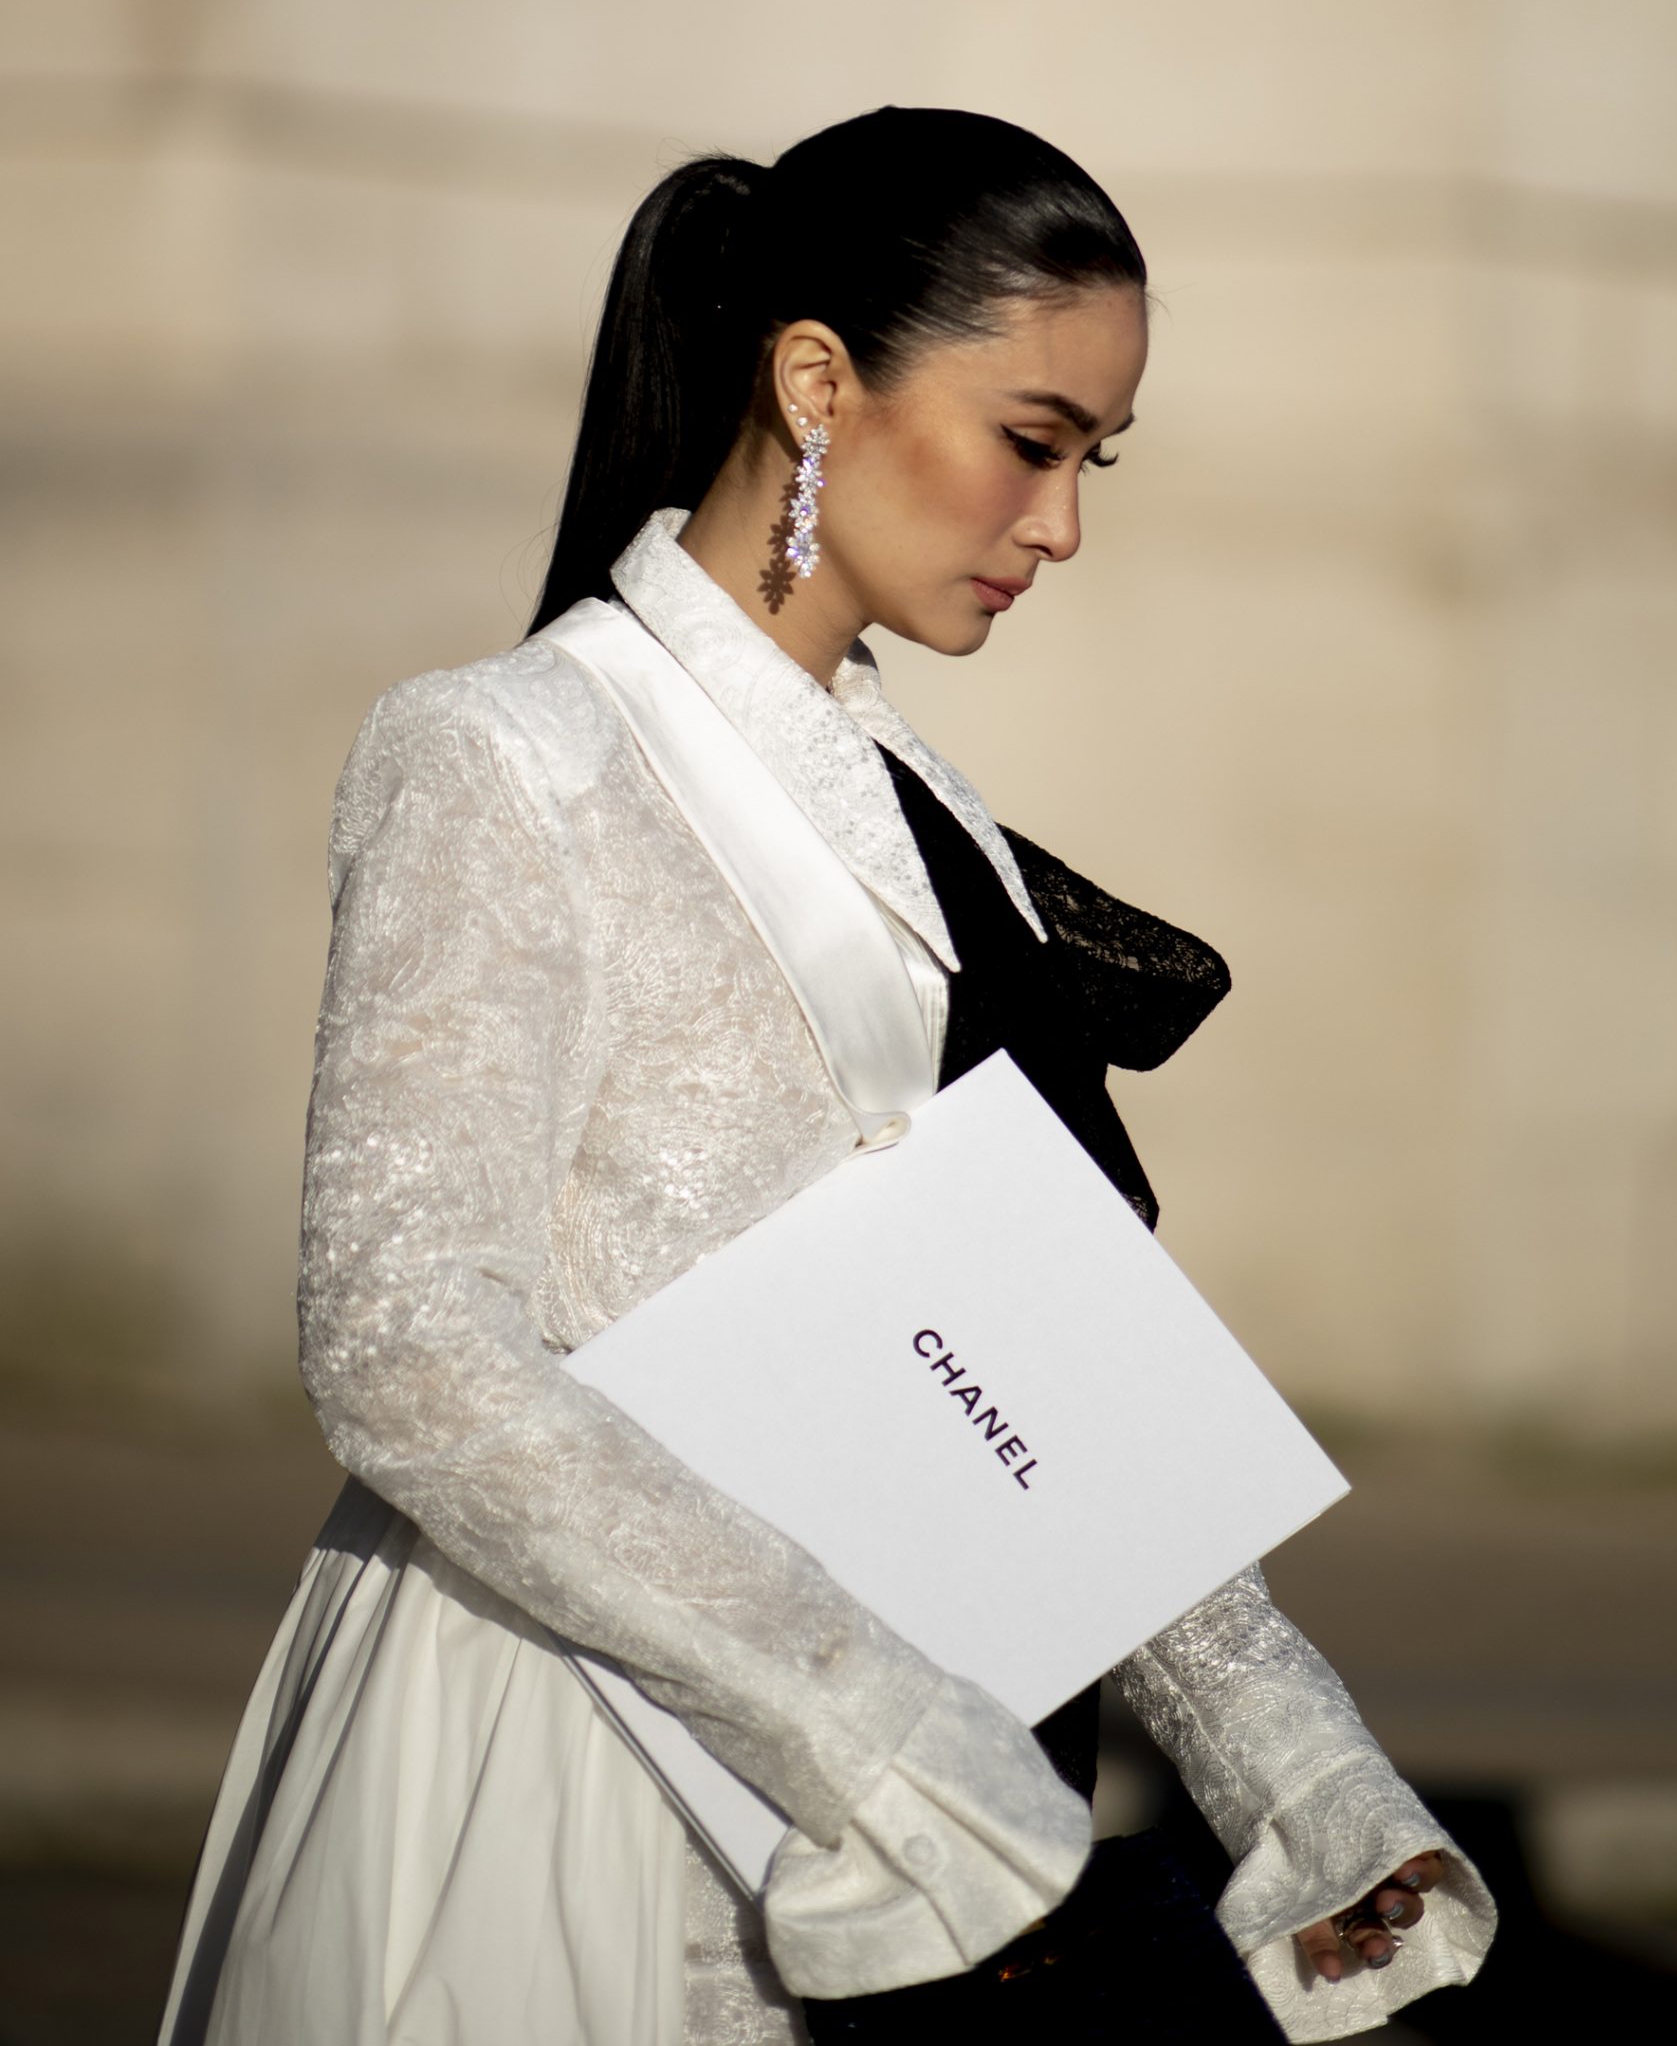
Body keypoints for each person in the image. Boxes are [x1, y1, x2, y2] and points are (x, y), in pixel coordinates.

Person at [158, 107, 1494, 2045]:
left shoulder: (918, 802)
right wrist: (880, 1734)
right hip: (569, 1766)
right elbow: (405, 1342)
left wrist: (1294, 1777)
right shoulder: (499, 750)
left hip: (925, 1788)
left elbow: (1022, 1334)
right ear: (812, 379)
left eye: (1088, 460)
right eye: (1029, 443)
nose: (1060, 526)